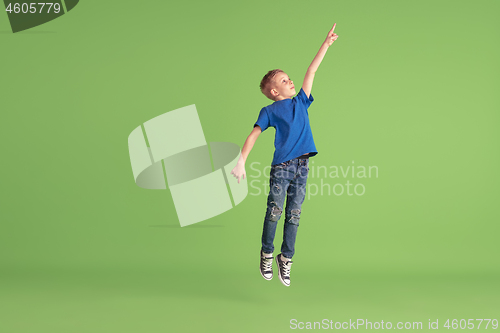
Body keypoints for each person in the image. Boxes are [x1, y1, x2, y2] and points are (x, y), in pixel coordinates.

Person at [231, 23, 339, 286]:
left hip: (303, 166)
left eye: (289, 77)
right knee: (275, 211)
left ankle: (286, 258)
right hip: (282, 167)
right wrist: (241, 161)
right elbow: (254, 134)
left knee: (295, 214)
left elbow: (311, 70)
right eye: (284, 80)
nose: (290, 81)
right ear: (274, 92)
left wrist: (325, 44)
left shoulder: (301, 101)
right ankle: (267, 252)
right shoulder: (269, 111)